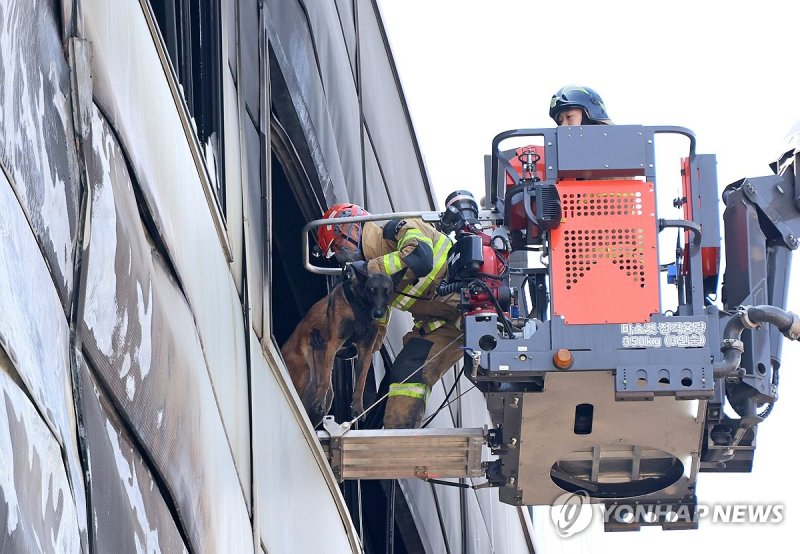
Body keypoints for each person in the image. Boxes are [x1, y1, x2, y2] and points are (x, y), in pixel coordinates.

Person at [317, 204, 462, 429]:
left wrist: (370, 268)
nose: (340, 255)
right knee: (406, 374)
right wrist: (344, 346)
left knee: (494, 365)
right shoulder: (372, 285)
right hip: (442, 326)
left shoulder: (398, 228)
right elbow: (375, 328)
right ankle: (399, 446)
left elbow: (420, 258)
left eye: (337, 245)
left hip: (475, 300)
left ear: (352, 227)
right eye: (335, 251)